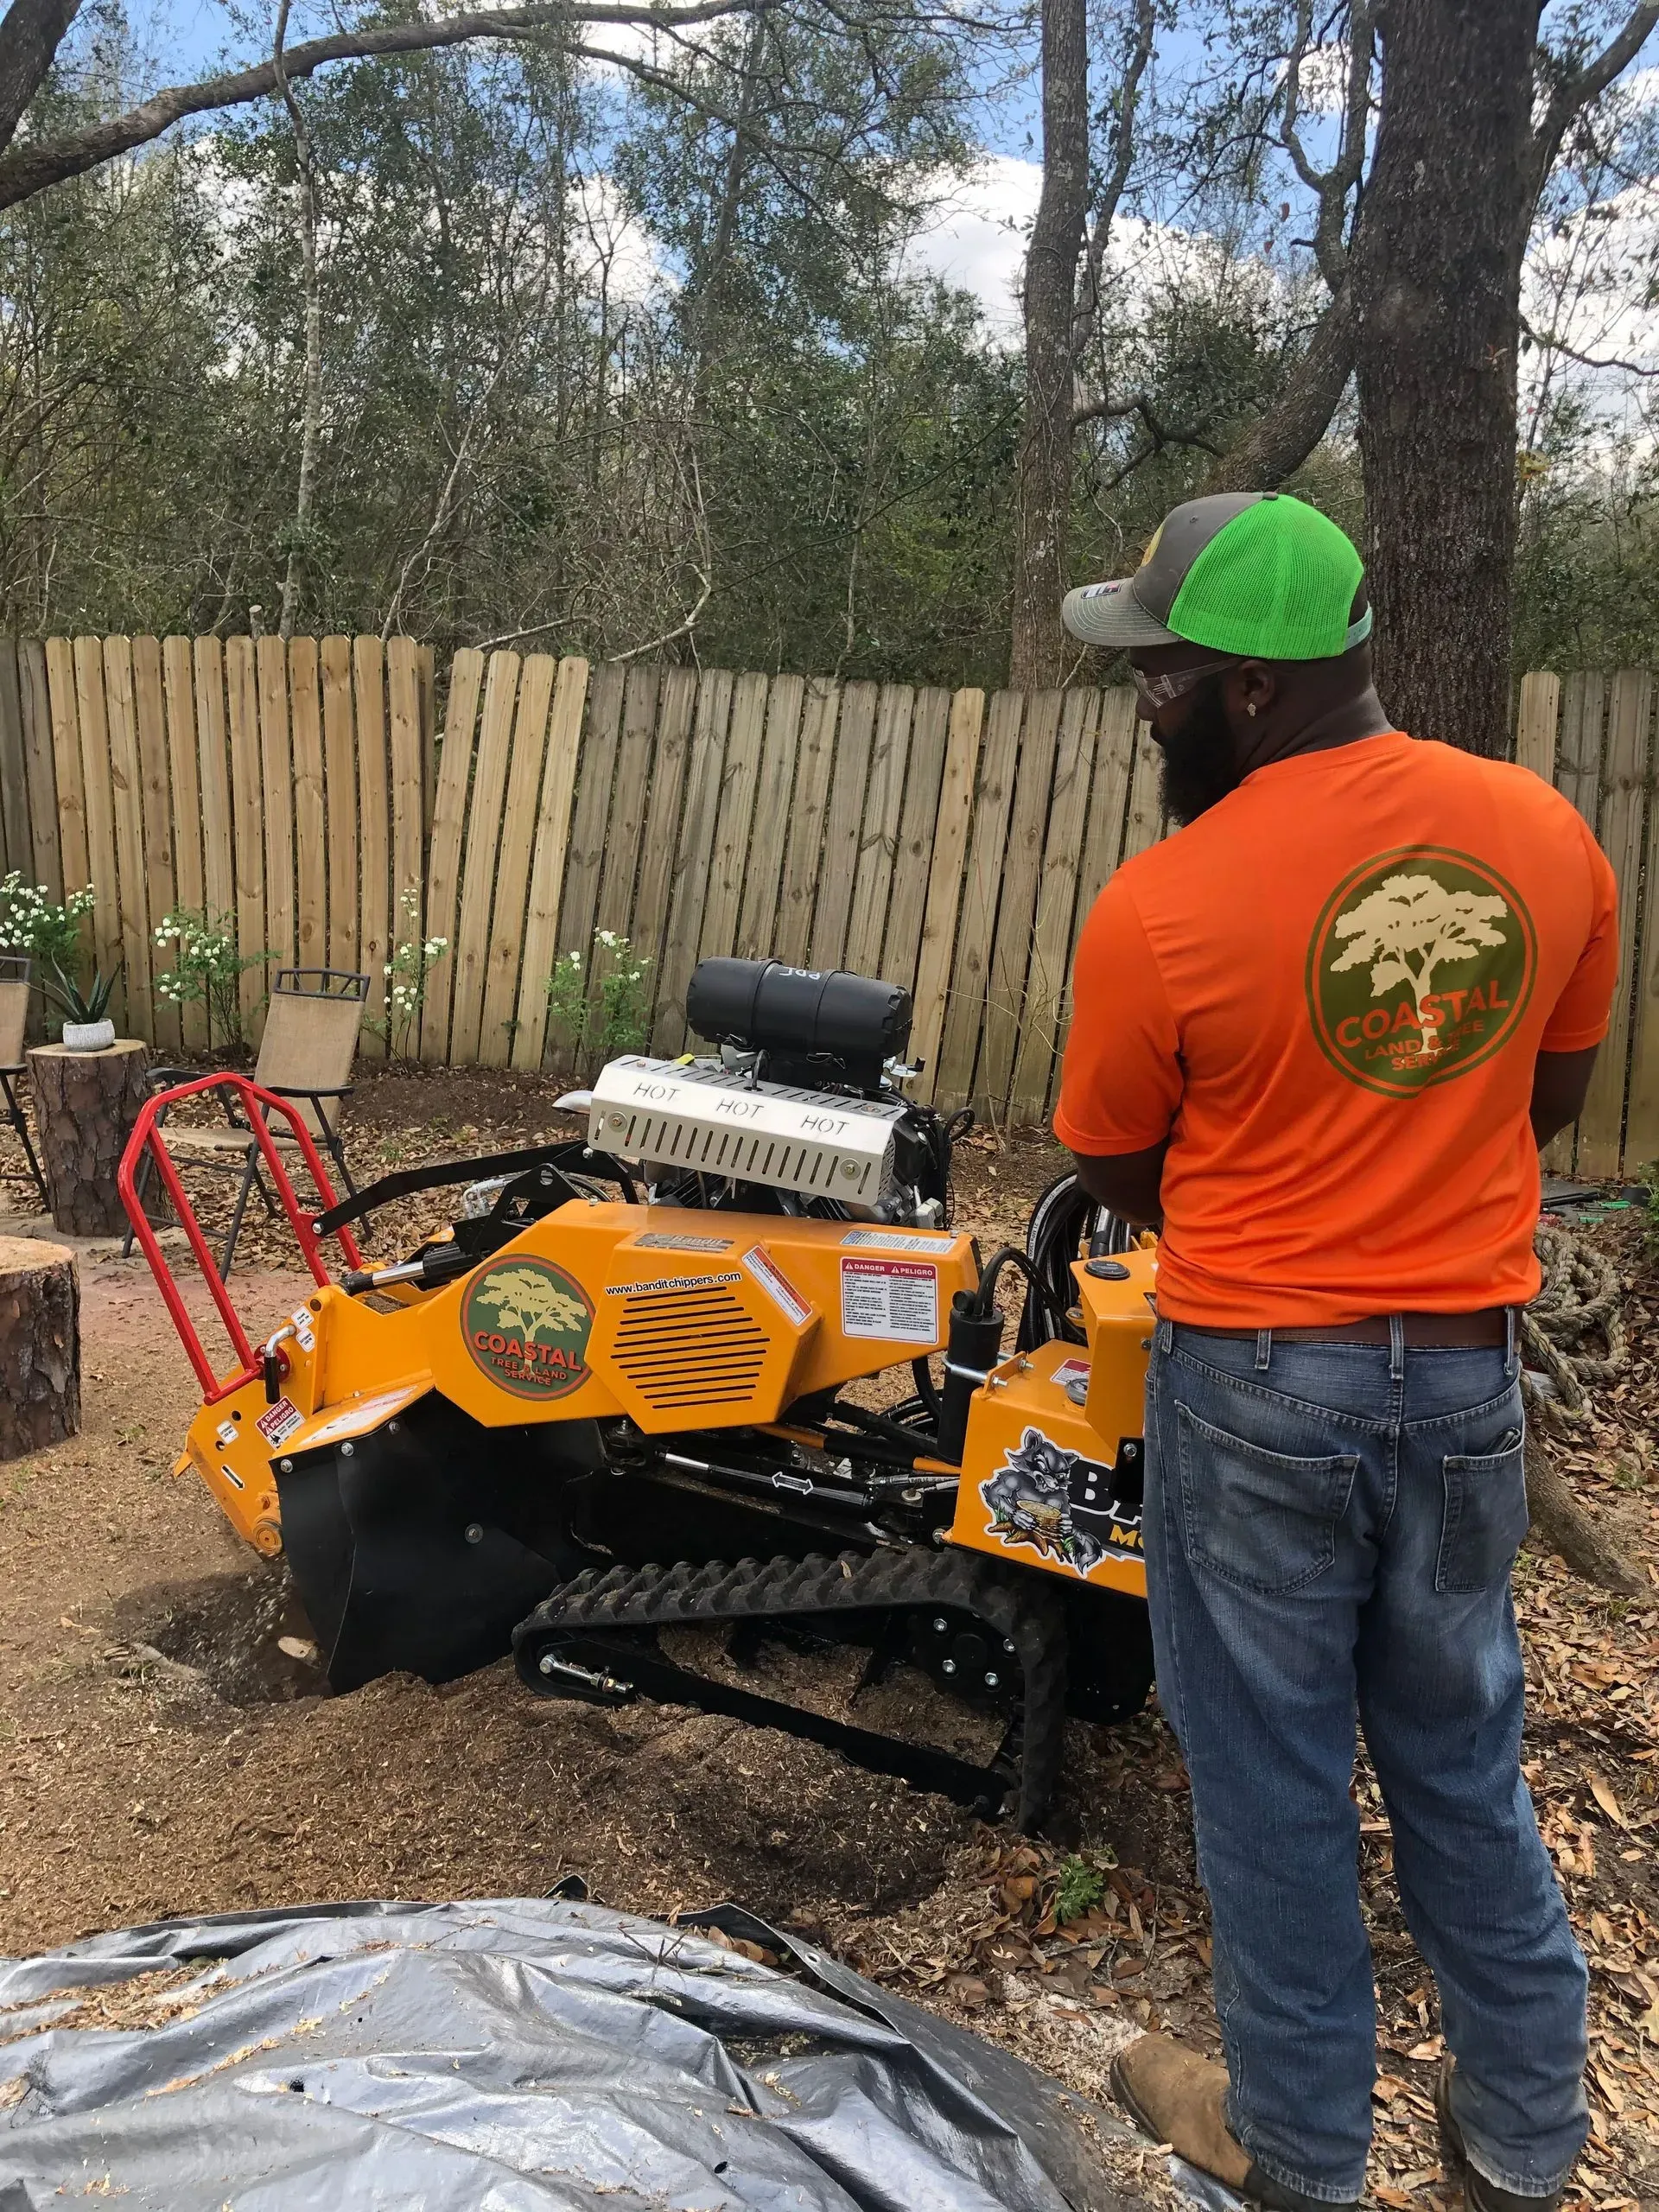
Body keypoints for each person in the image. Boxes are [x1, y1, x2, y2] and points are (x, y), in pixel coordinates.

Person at [1052, 492, 1616, 2212]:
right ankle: (1522, 2140)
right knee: (1460, 1750)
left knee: (1273, 1774)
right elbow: (1553, 1094)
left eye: (1158, 677)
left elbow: (1116, 1166)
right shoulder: (1545, 837)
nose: (1140, 704)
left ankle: (1298, 2151)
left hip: (1258, 1387)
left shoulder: (1163, 903)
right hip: (1461, 1386)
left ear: (1249, 691)